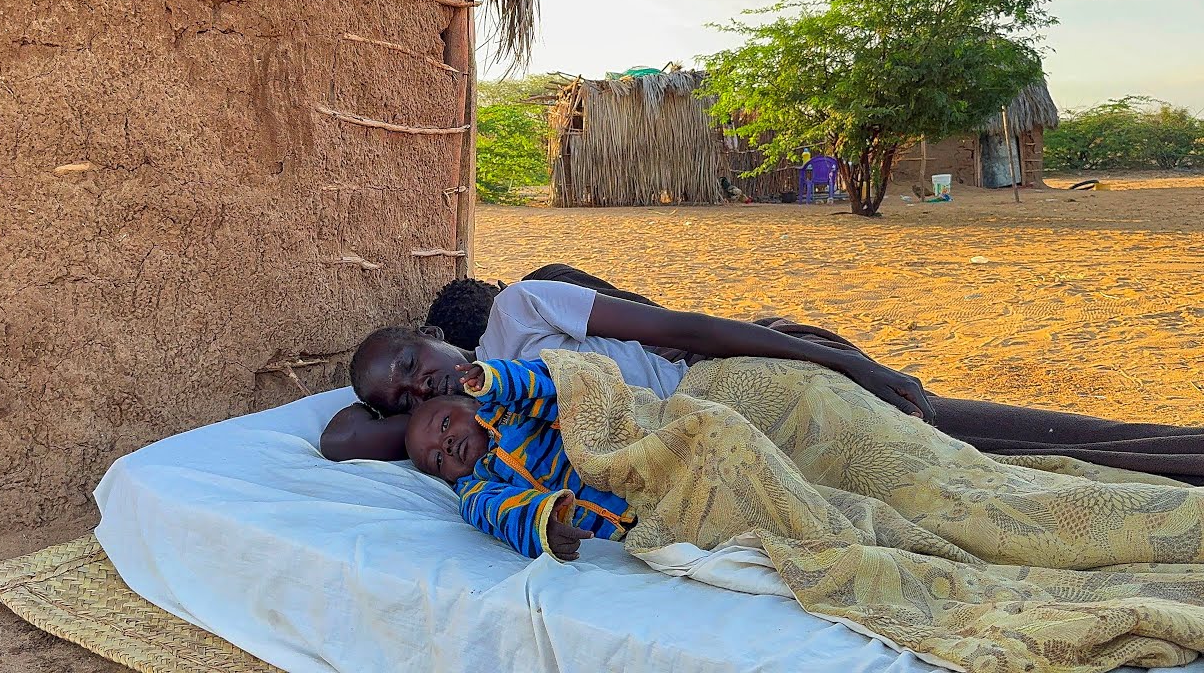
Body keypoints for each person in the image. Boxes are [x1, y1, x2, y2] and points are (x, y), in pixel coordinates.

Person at [325, 266, 1204, 484]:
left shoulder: (521, 313)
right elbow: (337, 437)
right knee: (991, 472)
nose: (413, 392)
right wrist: (395, 414)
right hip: (714, 452)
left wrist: (834, 356)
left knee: (969, 436)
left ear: (435, 337)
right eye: (395, 398)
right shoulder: (463, 436)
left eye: (410, 364)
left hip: (744, 384)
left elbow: (682, 327)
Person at [404, 357, 627, 561]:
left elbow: (554, 382)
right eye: (438, 460)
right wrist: (540, 524)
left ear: (474, 402)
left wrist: (495, 378)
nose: (447, 446)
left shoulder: (515, 407)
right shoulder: (477, 488)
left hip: (627, 456)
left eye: (445, 424)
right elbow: (499, 511)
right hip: (619, 524)